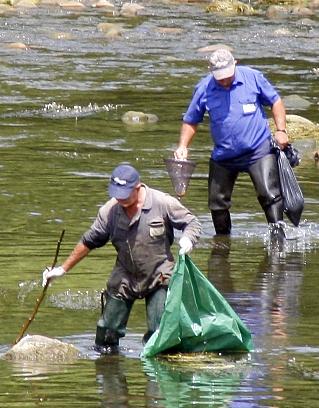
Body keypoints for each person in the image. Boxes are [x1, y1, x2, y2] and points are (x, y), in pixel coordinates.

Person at [42, 164, 201, 353]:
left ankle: (158, 376)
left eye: (124, 193)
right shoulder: (109, 211)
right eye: (116, 193)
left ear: (138, 187)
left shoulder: (163, 202)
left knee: (160, 335)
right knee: (106, 334)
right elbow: (90, 241)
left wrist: (188, 239)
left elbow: (192, 222)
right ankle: (109, 372)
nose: (120, 198)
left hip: (159, 275)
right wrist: (63, 269)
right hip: (125, 275)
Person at [174, 48, 289, 235]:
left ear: (235, 64)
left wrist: (281, 131)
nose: (225, 80)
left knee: (270, 195)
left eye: (228, 75)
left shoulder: (253, 77)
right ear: (210, 71)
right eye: (220, 77)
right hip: (224, 155)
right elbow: (191, 120)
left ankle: (278, 238)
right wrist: (182, 146)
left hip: (258, 150)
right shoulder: (204, 88)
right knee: (216, 203)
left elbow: (276, 101)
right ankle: (222, 243)